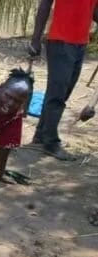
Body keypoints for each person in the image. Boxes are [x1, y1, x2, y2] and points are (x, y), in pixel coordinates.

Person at [28, 0, 98, 161]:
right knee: (57, 95)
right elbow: (45, 5)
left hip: (81, 43)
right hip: (60, 41)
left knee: (62, 92)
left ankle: (41, 135)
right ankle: (51, 143)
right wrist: (35, 40)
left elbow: (93, 10)